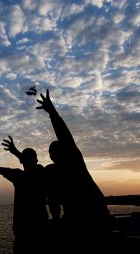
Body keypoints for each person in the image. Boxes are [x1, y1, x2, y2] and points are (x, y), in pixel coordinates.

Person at [36, 88, 111, 240]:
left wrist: (53, 113)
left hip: (95, 214)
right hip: (77, 216)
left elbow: (65, 137)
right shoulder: (54, 174)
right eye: (52, 154)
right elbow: (53, 202)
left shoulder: (74, 162)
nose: (52, 157)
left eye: (53, 153)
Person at [2, 136, 62, 221]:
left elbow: (29, 164)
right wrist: (15, 151)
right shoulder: (44, 169)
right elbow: (30, 164)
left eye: (52, 153)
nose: (50, 156)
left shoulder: (52, 170)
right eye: (50, 153)